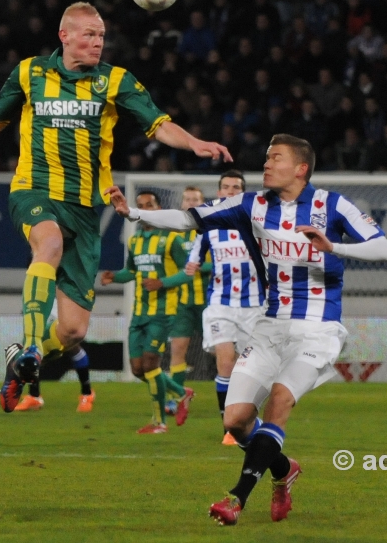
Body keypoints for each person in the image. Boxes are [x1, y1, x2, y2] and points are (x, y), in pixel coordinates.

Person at [0, 2, 231, 413]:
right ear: (64, 36)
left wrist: (194, 142)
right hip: (35, 190)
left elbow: (158, 123)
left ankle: (19, 365)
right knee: (47, 245)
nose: (97, 42)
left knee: (72, 331)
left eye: (101, 36)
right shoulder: (30, 73)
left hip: (85, 208)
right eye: (88, 34)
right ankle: (29, 345)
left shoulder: (116, 81)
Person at [106, 134, 387, 524]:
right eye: (266, 157)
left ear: (301, 168)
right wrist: (135, 215)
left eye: (276, 158)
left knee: (278, 400)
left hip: (317, 329)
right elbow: (191, 218)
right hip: (269, 326)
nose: (266, 164)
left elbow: (383, 249)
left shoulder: (332, 205)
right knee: (235, 420)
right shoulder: (252, 204)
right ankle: (282, 470)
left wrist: (334, 247)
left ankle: (235, 498)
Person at [100, 191, 195, 433]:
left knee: (151, 364)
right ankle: (181, 392)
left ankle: (159, 422)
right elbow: (131, 271)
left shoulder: (173, 239)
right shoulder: (136, 240)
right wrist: (115, 277)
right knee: (137, 369)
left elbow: (187, 272)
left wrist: (162, 283)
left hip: (163, 311)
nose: (145, 209)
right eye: (140, 206)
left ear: (159, 208)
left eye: (149, 205)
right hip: (139, 313)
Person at [184, 170, 265, 446]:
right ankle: (227, 428)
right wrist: (192, 265)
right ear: (219, 192)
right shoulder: (210, 226)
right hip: (221, 304)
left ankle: (246, 420)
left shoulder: (256, 222)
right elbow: (194, 255)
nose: (230, 191)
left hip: (255, 306)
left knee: (251, 368)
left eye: (236, 187)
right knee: (226, 362)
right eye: (226, 187)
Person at [164, 186, 210, 414]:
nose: (191, 203)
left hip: (210, 302)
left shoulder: (211, 230)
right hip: (183, 302)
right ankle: (176, 397)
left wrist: (198, 266)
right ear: (182, 204)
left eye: (195, 199)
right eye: (187, 199)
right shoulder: (173, 236)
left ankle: (239, 397)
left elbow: (221, 262)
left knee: (225, 352)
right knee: (178, 349)